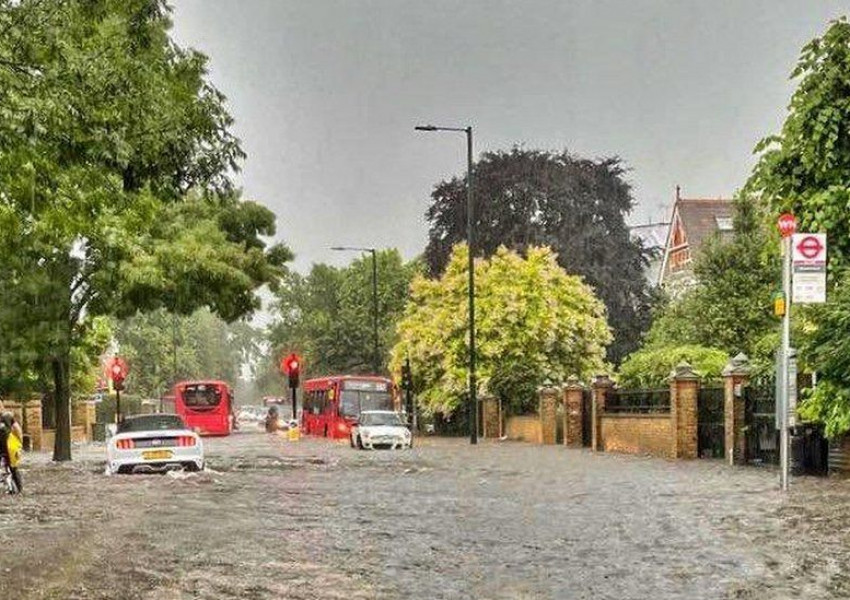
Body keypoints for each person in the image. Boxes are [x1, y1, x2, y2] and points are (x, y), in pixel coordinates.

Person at [0, 412, 22, 494]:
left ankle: (15, 488)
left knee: (12, 469)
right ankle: (16, 488)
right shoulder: (8, 419)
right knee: (13, 469)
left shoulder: (7, 419)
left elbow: (18, 431)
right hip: (8, 449)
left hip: (7, 449)